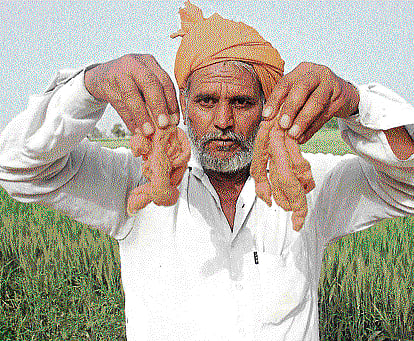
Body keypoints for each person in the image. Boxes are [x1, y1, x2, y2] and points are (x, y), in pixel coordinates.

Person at [1, 2, 414, 340]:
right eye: (205, 101)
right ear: (182, 102)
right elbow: (17, 168)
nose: (222, 120)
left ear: (268, 108)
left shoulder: (307, 185)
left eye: (241, 102)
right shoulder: (135, 179)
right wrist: (88, 86)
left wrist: (357, 103)